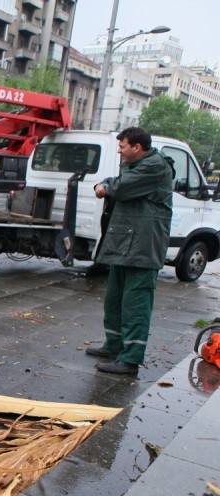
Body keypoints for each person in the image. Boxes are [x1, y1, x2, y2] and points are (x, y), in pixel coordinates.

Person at [85, 127, 174, 375]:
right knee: (115, 298)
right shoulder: (137, 165)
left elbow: (121, 188)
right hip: (127, 243)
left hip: (144, 247)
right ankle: (114, 345)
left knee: (136, 303)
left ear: (137, 147)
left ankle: (131, 358)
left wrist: (107, 186)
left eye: (122, 146)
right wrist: (106, 184)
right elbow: (117, 183)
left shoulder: (155, 166)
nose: (119, 151)